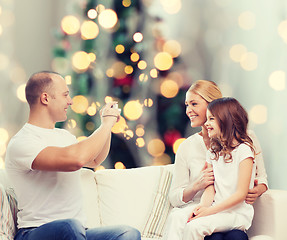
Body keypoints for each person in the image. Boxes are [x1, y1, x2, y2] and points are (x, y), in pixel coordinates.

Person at [5, 71, 141, 240]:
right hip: (35, 232)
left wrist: (107, 123)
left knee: (128, 234)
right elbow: (76, 160)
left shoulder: (64, 136)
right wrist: (106, 125)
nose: (70, 101)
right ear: (45, 98)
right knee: (70, 226)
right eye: (65, 95)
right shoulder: (23, 142)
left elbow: (94, 159)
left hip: (77, 233)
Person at [163, 80, 268, 240]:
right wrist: (197, 187)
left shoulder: (246, 141)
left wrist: (255, 190)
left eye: (194, 104)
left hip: (231, 212)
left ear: (215, 106)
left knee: (235, 237)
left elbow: (261, 180)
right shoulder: (195, 148)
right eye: (186, 105)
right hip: (207, 209)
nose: (188, 111)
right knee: (181, 220)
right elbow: (176, 196)